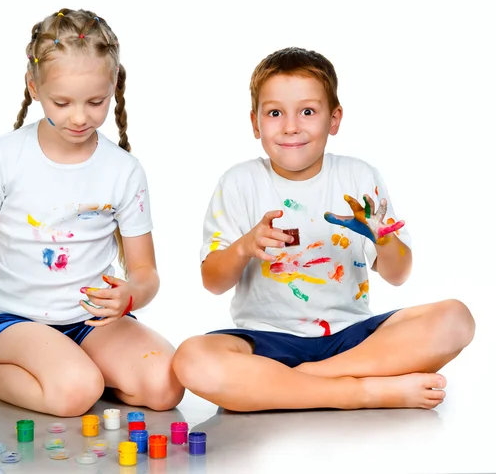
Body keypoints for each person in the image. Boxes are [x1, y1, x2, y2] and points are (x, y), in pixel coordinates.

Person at [172, 47, 474, 412]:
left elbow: (398, 275)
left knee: (456, 319)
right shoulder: (239, 182)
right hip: (265, 343)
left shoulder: (358, 176)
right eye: (274, 113)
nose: (291, 126)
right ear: (255, 122)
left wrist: (384, 237)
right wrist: (243, 247)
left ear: (334, 118)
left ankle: (294, 384)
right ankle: (363, 393)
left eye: (308, 111)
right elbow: (212, 281)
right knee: (192, 358)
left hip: (353, 342)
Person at [0, 8, 184, 417]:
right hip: (18, 320)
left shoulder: (124, 170)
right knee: (75, 393)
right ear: (34, 87)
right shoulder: (4, 154)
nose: (80, 117)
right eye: (63, 102)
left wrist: (131, 294)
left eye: (96, 101)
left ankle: (75, 373)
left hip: (91, 321)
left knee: (165, 386)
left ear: (114, 85)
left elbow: (146, 273)